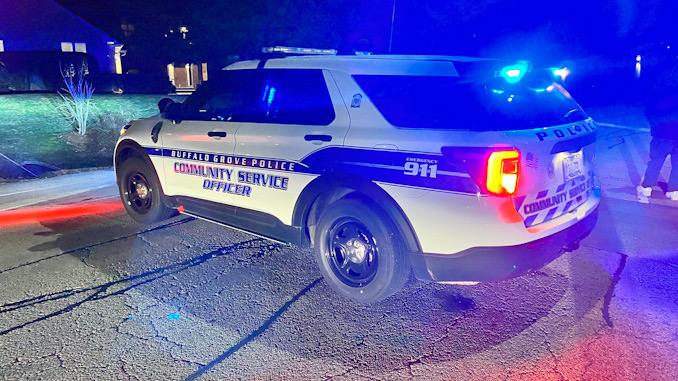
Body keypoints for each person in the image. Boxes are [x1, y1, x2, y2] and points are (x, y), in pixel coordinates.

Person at [637, 64, 678, 203]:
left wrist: (655, 125)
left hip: (663, 132)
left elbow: (650, 110)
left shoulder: (661, 89)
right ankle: (674, 190)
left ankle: (647, 187)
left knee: (656, 160)